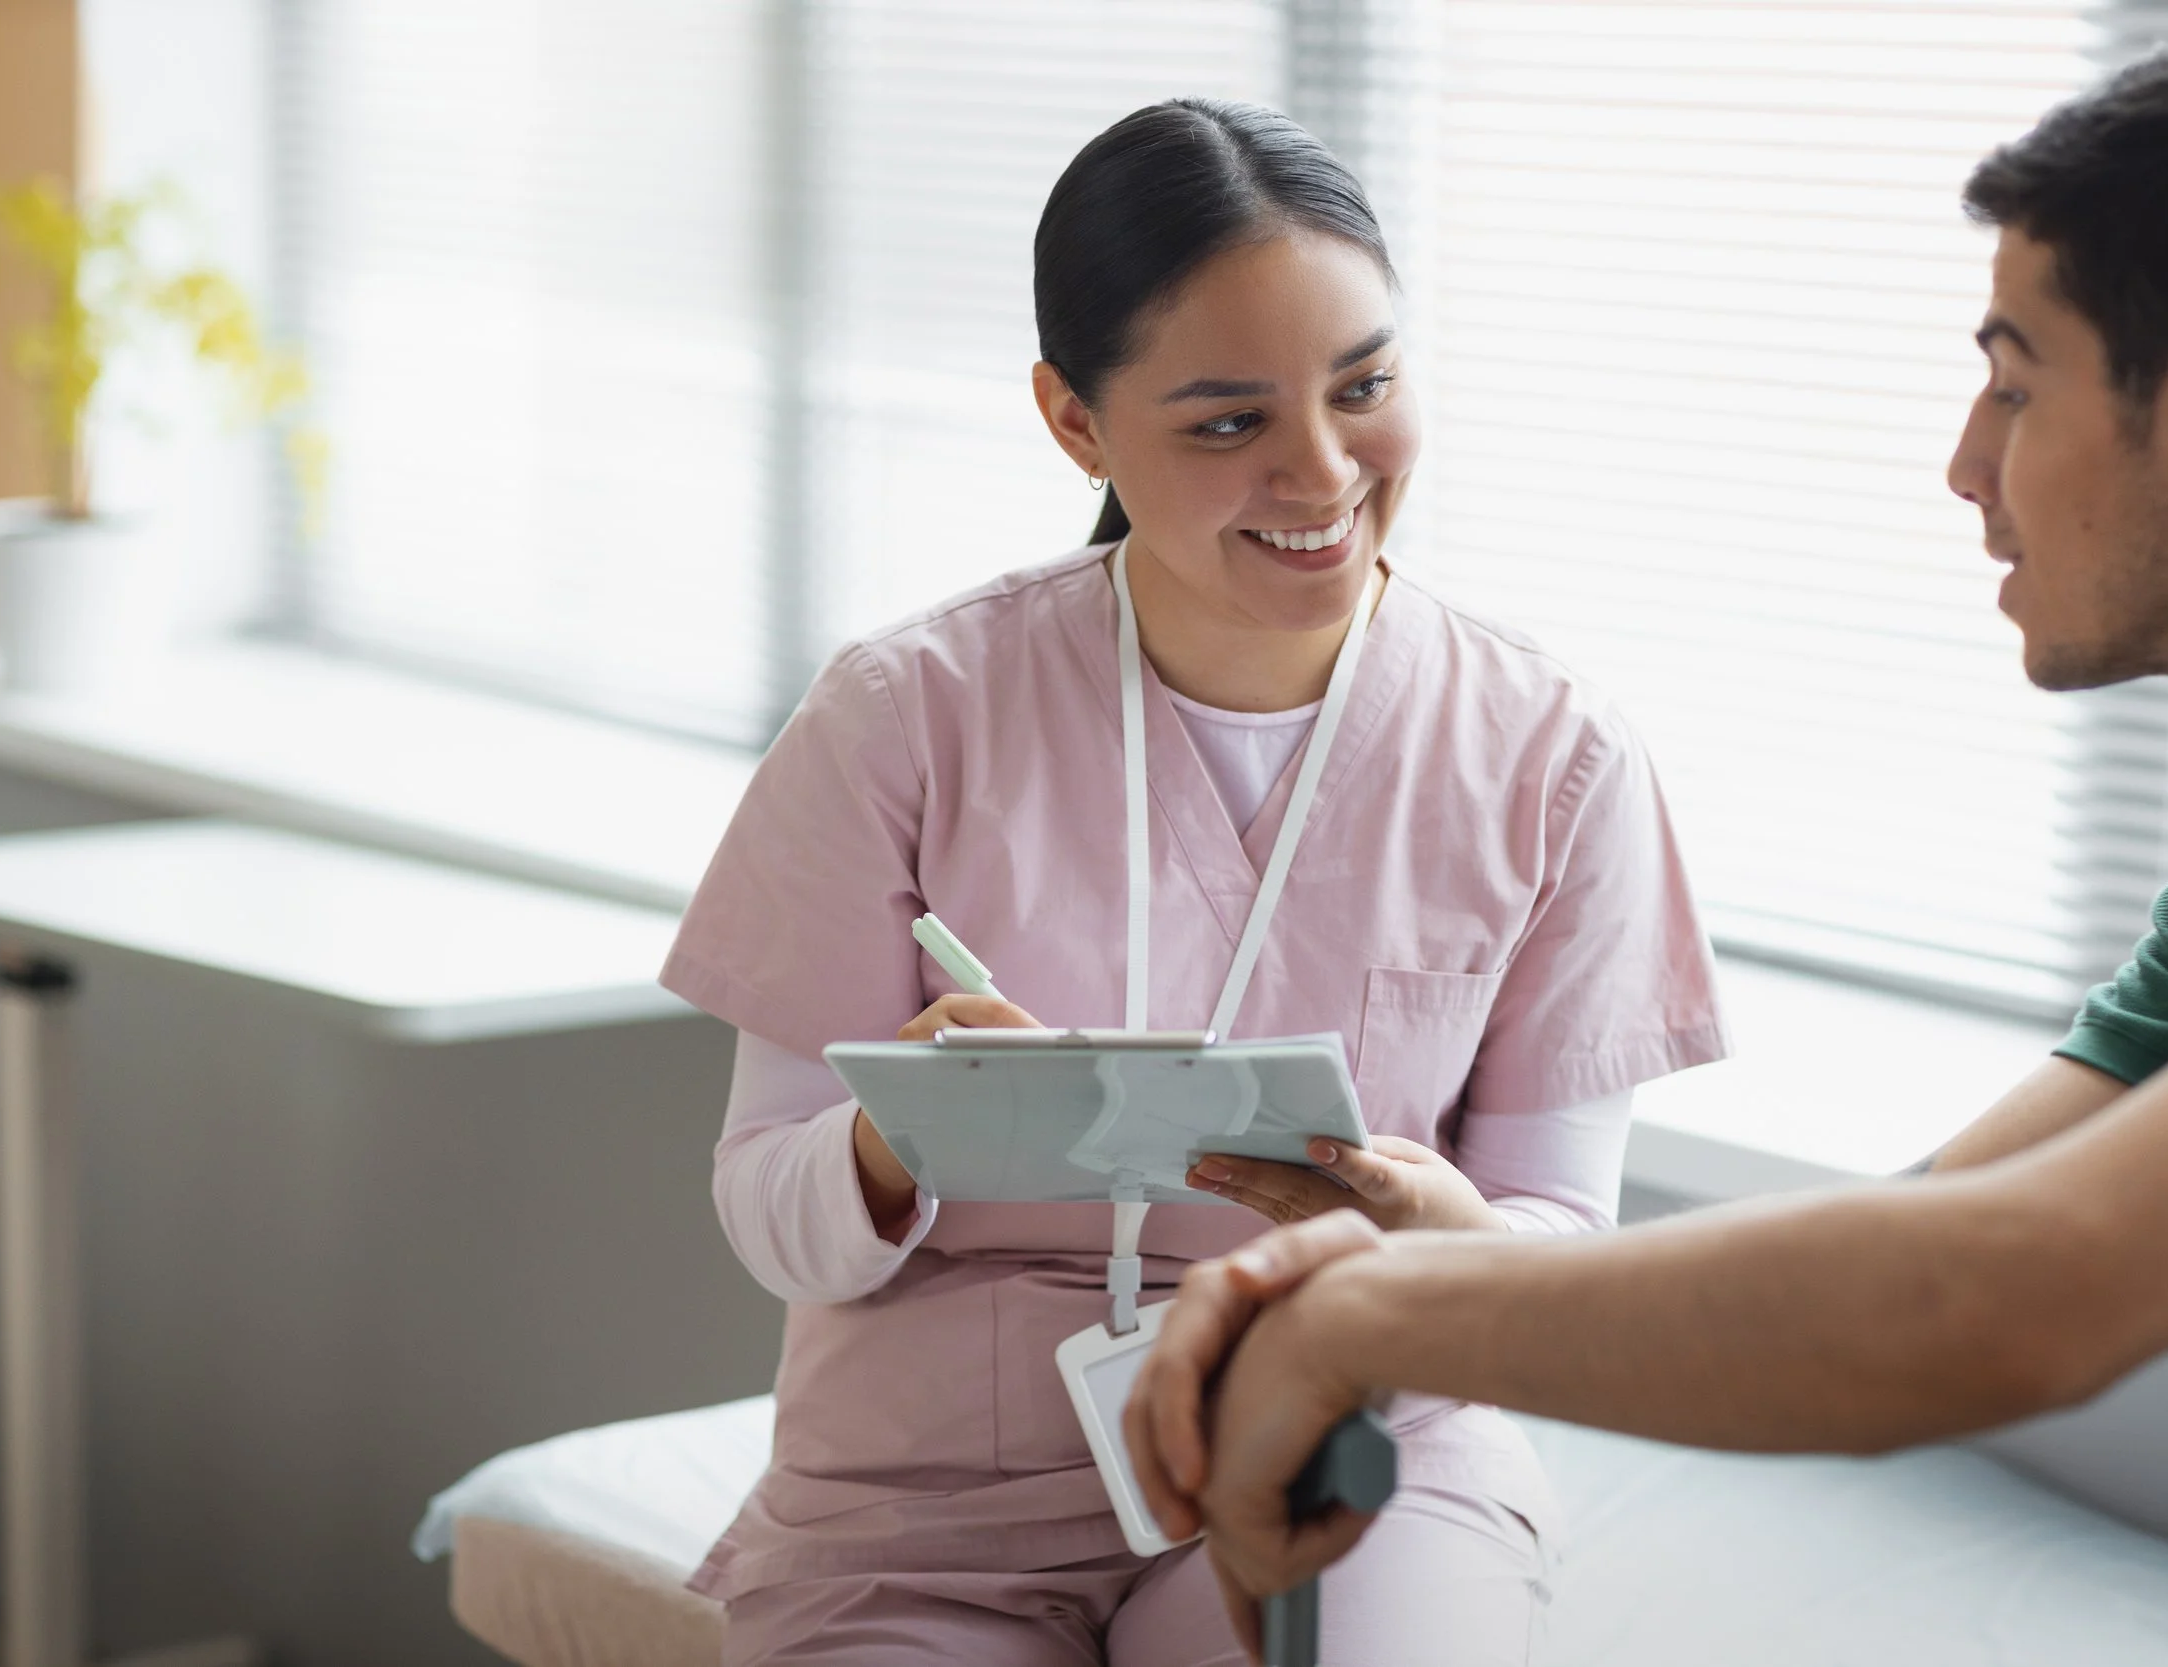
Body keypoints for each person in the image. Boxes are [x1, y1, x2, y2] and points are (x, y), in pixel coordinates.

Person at [1128, 35, 2168, 1667]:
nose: (1969, 464)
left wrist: (1361, 1321)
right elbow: (1917, 1248)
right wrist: (1466, 1260)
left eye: (2018, 385)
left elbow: (2007, 1300)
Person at [658, 98, 1725, 1667]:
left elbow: (1556, 1234)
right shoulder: (906, 717)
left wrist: (1447, 1234)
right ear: (1075, 422)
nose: (1321, 471)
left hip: (1351, 1442)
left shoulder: (1551, 754)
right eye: (1229, 422)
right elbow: (774, 1216)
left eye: (1362, 388)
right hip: (928, 1503)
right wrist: (893, 1139)